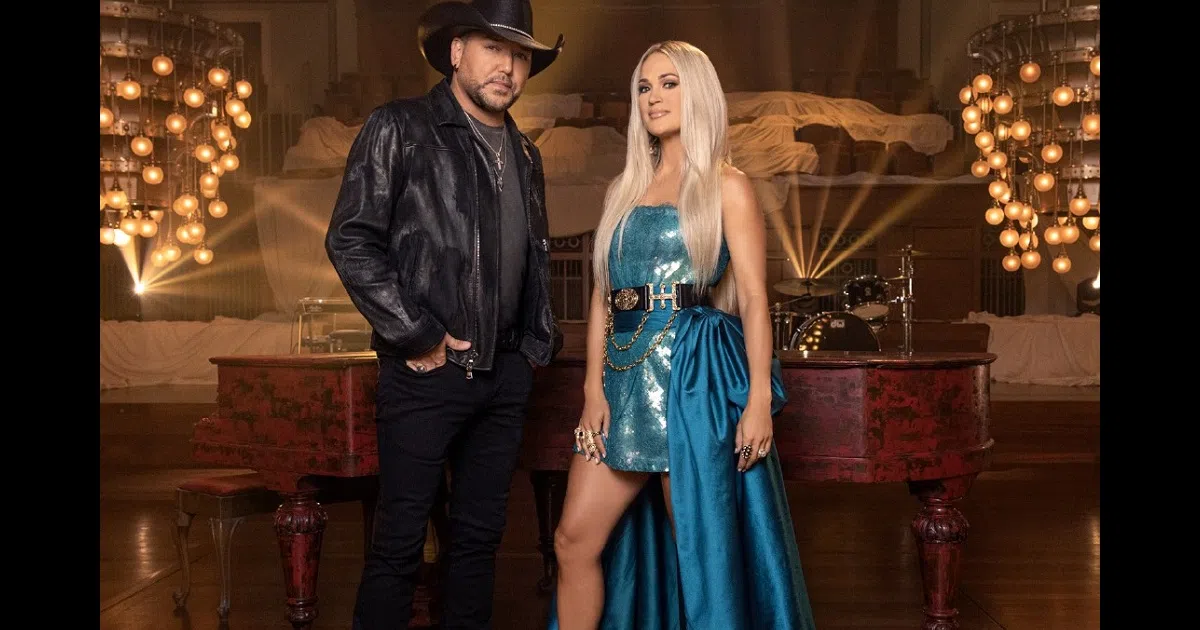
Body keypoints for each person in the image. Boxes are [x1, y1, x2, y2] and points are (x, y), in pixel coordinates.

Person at [547, 41, 817, 629]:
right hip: (621, 385)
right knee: (572, 541)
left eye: (669, 83)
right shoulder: (623, 189)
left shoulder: (727, 185)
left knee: (699, 556)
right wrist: (592, 391)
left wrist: (759, 401)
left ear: (698, 92)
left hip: (689, 385)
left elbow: (753, 298)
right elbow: (602, 297)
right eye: (644, 87)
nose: (654, 97)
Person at [323, 1, 564, 627]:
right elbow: (351, 239)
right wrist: (417, 334)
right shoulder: (399, 127)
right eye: (493, 48)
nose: (508, 68)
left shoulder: (526, 153)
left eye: (520, 56)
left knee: (479, 543)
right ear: (456, 52)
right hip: (426, 371)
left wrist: (532, 348)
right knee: (399, 544)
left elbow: (530, 257)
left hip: (505, 374)